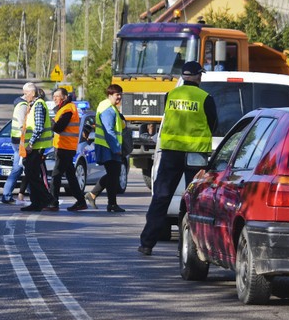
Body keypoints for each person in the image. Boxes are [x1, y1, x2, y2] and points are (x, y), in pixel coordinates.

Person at [138, 61, 217, 255]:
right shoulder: (206, 98)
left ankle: (147, 243)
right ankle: (195, 246)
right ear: (198, 76)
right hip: (196, 155)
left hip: (171, 153)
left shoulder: (170, 95)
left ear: (183, 76)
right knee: (194, 201)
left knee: (161, 197)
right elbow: (213, 124)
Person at [85, 84, 126, 213]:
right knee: (113, 175)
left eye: (120, 94)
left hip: (108, 146)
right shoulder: (108, 109)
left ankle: (93, 195)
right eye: (116, 95)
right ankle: (111, 204)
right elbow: (109, 131)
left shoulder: (110, 107)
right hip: (108, 147)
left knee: (113, 174)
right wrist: (116, 148)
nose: (119, 97)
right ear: (110, 95)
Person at [19, 83, 58, 212]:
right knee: (31, 174)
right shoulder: (34, 105)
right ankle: (36, 203)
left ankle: (48, 199)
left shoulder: (39, 104)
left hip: (37, 146)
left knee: (33, 175)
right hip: (34, 146)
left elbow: (39, 127)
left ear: (33, 93)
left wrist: (30, 144)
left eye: (26, 93)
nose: (24, 96)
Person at [51, 88, 88, 211]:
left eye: (57, 96)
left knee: (56, 175)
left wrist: (50, 123)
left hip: (65, 148)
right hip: (64, 147)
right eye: (54, 96)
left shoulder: (68, 109)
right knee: (71, 176)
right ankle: (81, 201)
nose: (55, 98)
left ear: (65, 97)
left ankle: (53, 202)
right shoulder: (64, 108)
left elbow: (59, 128)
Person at [1, 86, 29, 205]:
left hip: (17, 140)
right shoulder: (23, 105)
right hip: (20, 141)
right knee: (19, 168)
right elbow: (24, 124)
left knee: (24, 168)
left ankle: (9, 194)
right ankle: (6, 195)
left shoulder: (20, 104)